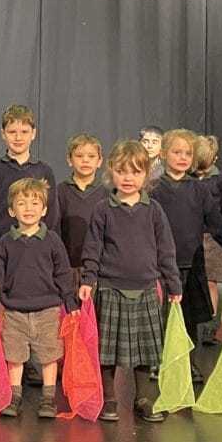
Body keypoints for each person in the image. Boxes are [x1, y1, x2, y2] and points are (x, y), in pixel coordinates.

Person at [79, 140, 181, 423]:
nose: (128, 178)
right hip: (111, 288)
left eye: (135, 172)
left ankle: (144, 398)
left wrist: (174, 284)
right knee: (107, 350)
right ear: (111, 171)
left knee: (145, 350)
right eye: (122, 172)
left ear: (146, 175)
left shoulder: (154, 210)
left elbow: (166, 250)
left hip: (146, 289)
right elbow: (93, 248)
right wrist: (88, 278)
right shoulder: (103, 209)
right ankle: (109, 398)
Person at [0, 178, 78, 419]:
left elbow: (62, 274)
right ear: (11, 210)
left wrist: (70, 303)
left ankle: (48, 397)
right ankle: (14, 396)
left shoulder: (52, 241)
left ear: (44, 209)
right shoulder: (6, 243)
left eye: (35, 203)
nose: (28, 208)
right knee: (14, 356)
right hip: (14, 311)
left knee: (49, 356)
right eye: (21, 203)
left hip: (47, 310)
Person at [152, 128, 222, 383]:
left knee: (189, 321)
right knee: (160, 319)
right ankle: (157, 362)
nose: (183, 157)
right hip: (160, 267)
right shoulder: (153, 189)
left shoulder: (199, 190)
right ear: (163, 154)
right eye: (177, 152)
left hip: (192, 263)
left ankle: (190, 363)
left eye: (188, 153)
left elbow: (218, 225)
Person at [0, 105, 61, 245]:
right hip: (0, 247)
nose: (18, 137)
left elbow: (52, 217)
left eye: (24, 132)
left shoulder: (45, 171)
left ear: (33, 134)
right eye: (12, 132)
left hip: (38, 248)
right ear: (3, 134)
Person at [192, 133, 222, 345]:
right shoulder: (187, 177)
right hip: (189, 236)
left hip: (212, 237)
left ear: (214, 160)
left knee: (210, 281)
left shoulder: (221, 180)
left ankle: (210, 324)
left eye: (204, 168)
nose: (200, 173)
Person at [57, 133, 106, 292]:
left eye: (91, 156)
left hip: (99, 270)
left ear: (99, 162)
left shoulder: (107, 194)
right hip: (67, 268)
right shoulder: (59, 192)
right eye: (79, 156)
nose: (85, 160)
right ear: (69, 160)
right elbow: (55, 230)